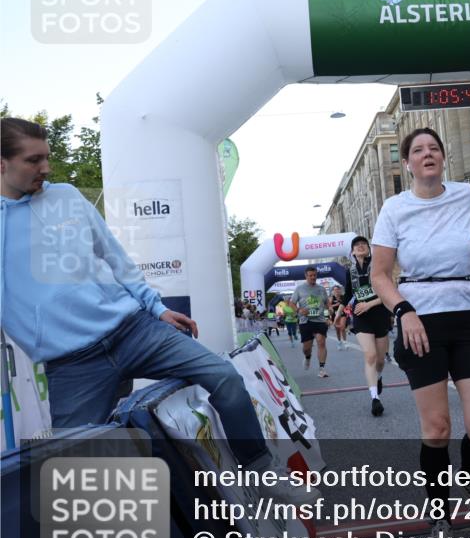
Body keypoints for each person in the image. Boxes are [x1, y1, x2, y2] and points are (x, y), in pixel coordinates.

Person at [0, 118, 311, 502]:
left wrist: (156, 307)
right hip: (72, 365)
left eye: (47, 157)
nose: (45, 168)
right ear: (2, 164)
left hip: (134, 330)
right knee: (74, 469)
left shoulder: (65, 196)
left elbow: (117, 259)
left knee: (225, 376)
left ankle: (261, 470)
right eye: (33, 160)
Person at [370, 127, 470, 538]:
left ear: (443, 158)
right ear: (407, 163)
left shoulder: (465, 195)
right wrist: (403, 311)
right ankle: (440, 521)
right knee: (438, 429)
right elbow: (380, 275)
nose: (427, 154)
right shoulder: (394, 209)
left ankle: (469, 477)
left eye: (434, 148)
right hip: (418, 322)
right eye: (418, 150)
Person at [342, 236, 392, 417]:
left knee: (379, 360)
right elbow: (348, 294)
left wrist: (369, 304)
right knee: (370, 355)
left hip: (379, 314)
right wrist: (339, 313)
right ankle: (374, 399)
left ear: (368, 248)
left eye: (363, 244)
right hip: (360, 316)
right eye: (357, 245)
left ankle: (378, 378)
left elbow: (388, 291)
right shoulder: (349, 271)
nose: (361, 247)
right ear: (353, 252)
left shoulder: (378, 265)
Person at [288, 267, 331, 378]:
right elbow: (292, 303)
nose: (313, 277)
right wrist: (299, 310)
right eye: (310, 275)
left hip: (320, 320)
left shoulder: (321, 289)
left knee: (321, 342)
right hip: (305, 321)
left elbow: (327, 303)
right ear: (306, 276)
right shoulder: (300, 289)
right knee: (307, 348)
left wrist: (330, 309)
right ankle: (308, 357)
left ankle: (322, 369)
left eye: (314, 275)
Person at [330, 285, 349, 350]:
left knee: (342, 327)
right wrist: (336, 305)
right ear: (333, 291)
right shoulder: (332, 298)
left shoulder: (343, 297)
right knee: (337, 330)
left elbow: (347, 304)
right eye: (335, 290)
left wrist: (347, 308)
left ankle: (345, 342)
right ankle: (339, 342)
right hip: (334, 315)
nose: (336, 291)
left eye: (337, 289)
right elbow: (329, 306)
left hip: (342, 313)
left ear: (340, 290)